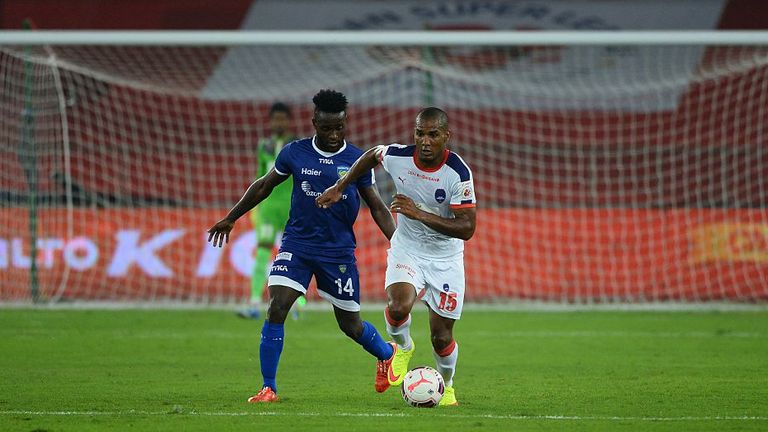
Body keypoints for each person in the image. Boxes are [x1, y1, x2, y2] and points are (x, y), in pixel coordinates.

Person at [207, 89, 398, 403]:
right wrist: (231, 217)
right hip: (297, 244)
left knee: (350, 325)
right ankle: (269, 387)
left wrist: (399, 244)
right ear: (314, 123)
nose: (334, 134)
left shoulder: (356, 159)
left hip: (337, 252)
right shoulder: (295, 152)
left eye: (339, 127)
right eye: (326, 128)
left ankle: (386, 353)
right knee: (277, 306)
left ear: (345, 123)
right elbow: (264, 185)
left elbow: (376, 206)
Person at [316, 107, 477, 407]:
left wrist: (418, 213)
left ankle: (448, 385)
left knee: (441, 338)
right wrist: (341, 186)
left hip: (445, 259)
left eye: (433, 134)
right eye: (419, 133)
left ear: (446, 136)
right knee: (398, 305)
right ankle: (402, 347)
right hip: (408, 248)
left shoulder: (458, 172)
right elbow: (371, 155)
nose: (425, 140)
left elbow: (467, 228)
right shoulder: (400, 157)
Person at [237, 102, 306, 320]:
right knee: (263, 252)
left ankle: (298, 304)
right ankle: (254, 302)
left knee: (296, 256)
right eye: (274, 119)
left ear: (288, 121)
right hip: (267, 209)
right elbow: (259, 177)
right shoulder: (263, 146)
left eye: (282, 119)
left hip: (291, 209)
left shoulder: (298, 146)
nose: (278, 123)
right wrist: (255, 207)